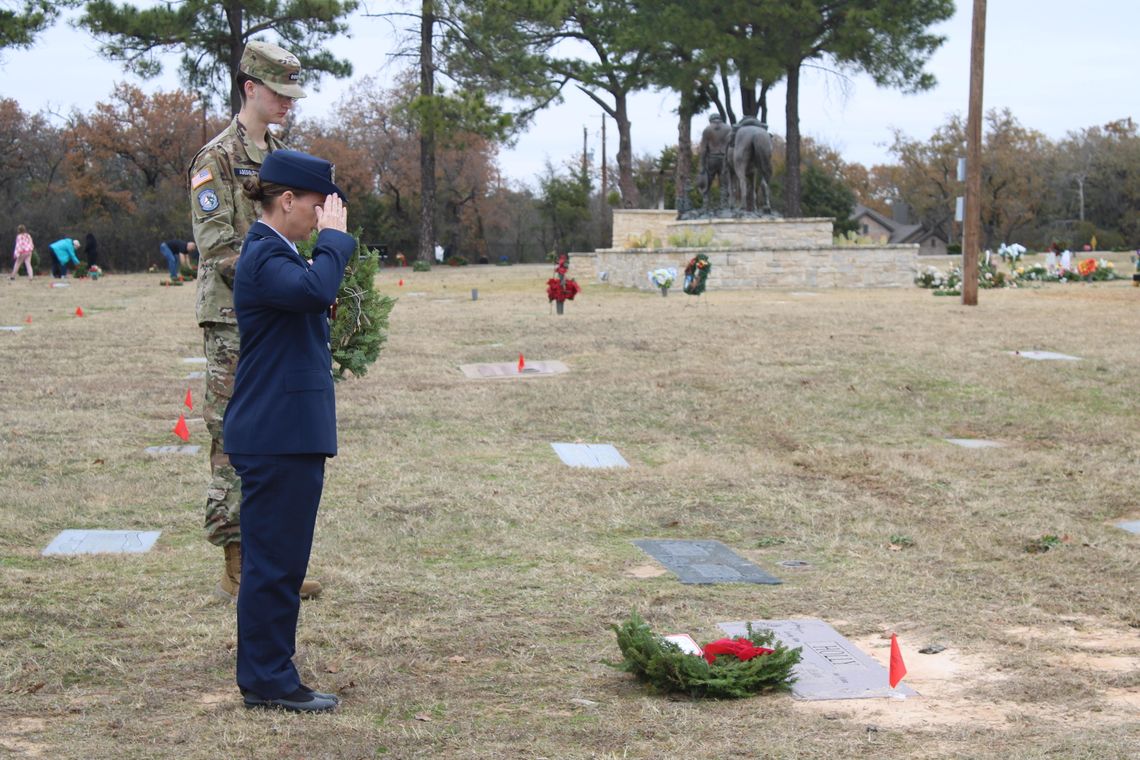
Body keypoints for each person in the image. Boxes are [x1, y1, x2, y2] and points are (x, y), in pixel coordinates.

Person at [188, 40, 321, 601]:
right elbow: (217, 249)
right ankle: (237, 563)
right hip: (233, 321)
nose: (288, 102)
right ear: (249, 88)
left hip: (281, 318)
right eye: (278, 91)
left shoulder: (285, 154)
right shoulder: (214, 160)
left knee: (280, 442)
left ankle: (272, 562)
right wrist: (284, 279)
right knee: (235, 438)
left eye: (293, 92)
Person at [223, 149, 352, 713]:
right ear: (288, 200)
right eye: (319, 208)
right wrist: (335, 243)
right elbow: (316, 292)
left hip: (286, 431)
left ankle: (268, 672)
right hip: (276, 434)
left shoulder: (282, 254)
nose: (323, 218)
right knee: (275, 564)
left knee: (283, 561)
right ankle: (268, 679)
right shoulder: (264, 254)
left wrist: (324, 249)